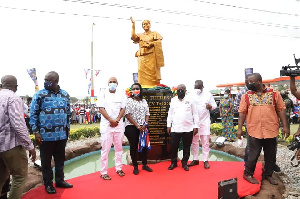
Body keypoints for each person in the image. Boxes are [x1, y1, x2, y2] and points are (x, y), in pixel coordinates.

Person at [237, 73, 289, 185]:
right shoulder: (246, 95)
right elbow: (242, 112)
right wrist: (239, 129)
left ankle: (268, 175)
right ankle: (247, 174)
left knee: (270, 154)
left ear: (259, 82)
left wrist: (285, 126)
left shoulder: (274, 93)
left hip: (271, 129)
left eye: (251, 82)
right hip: (253, 130)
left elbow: (281, 110)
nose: (248, 84)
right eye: (248, 81)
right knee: (253, 154)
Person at [30, 71, 73, 194]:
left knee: (60, 159)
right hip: (45, 136)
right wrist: (36, 132)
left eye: (49, 80)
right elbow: (33, 114)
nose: (46, 82)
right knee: (46, 162)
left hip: (61, 135)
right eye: (45, 79)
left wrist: (67, 130)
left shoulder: (65, 95)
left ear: (56, 81)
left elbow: (68, 114)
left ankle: (60, 180)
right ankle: (48, 184)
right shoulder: (39, 95)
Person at [0, 75, 36, 199]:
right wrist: (30, 146)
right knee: (19, 177)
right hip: (10, 146)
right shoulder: (13, 98)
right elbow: (18, 125)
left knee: (1, 178)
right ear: (16, 86)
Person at [98, 77, 126, 180]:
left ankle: (119, 168)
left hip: (118, 125)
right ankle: (103, 172)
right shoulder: (103, 94)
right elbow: (101, 108)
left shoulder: (121, 94)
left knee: (119, 149)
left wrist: (117, 120)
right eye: (110, 82)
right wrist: (110, 120)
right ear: (108, 83)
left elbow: (123, 108)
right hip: (107, 126)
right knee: (105, 150)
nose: (112, 83)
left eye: (114, 82)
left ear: (117, 83)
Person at [167, 84, 199, 171]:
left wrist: (196, 126)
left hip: (188, 128)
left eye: (182, 90)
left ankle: (184, 163)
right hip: (175, 128)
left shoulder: (190, 100)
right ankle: (173, 163)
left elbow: (195, 114)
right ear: (176, 91)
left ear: (185, 91)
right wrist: (168, 125)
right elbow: (170, 114)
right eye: (179, 90)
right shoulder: (173, 100)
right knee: (173, 146)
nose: (180, 91)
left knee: (186, 147)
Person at [124, 83, 153, 175]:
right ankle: (135, 166)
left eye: (137, 88)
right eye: (133, 89)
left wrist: (145, 124)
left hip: (143, 126)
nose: (135, 90)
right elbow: (127, 114)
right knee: (134, 146)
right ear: (131, 91)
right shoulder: (128, 101)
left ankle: (145, 164)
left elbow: (147, 113)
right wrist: (137, 126)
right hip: (131, 127)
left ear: (140, 90)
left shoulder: (144, 101)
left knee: (144, 146)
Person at [188, 80, 217, 169]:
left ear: (202, 87)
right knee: (194, 142)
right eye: (196, 87)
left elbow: (214, 105)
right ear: (194, 87)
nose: (198, 89)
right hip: (194, 123)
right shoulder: (190, 95)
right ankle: (195, 159)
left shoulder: (208, 94)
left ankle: (205, 160)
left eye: (199, 87)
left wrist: (210, 106)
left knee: (205, 142)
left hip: (204, 122)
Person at [130, 17, 164, 88]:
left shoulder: (154, 34)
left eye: (147, 24)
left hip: (152, 56)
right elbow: (133, 37)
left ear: (150, 25)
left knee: (153, 72)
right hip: (142, 56)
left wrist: (151, 44)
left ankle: (153, 86)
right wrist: (133, 25)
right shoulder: (140, 35)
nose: (145, 25)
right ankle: (142, 86)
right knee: (140, 70)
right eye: (144, 24)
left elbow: (158, 42)